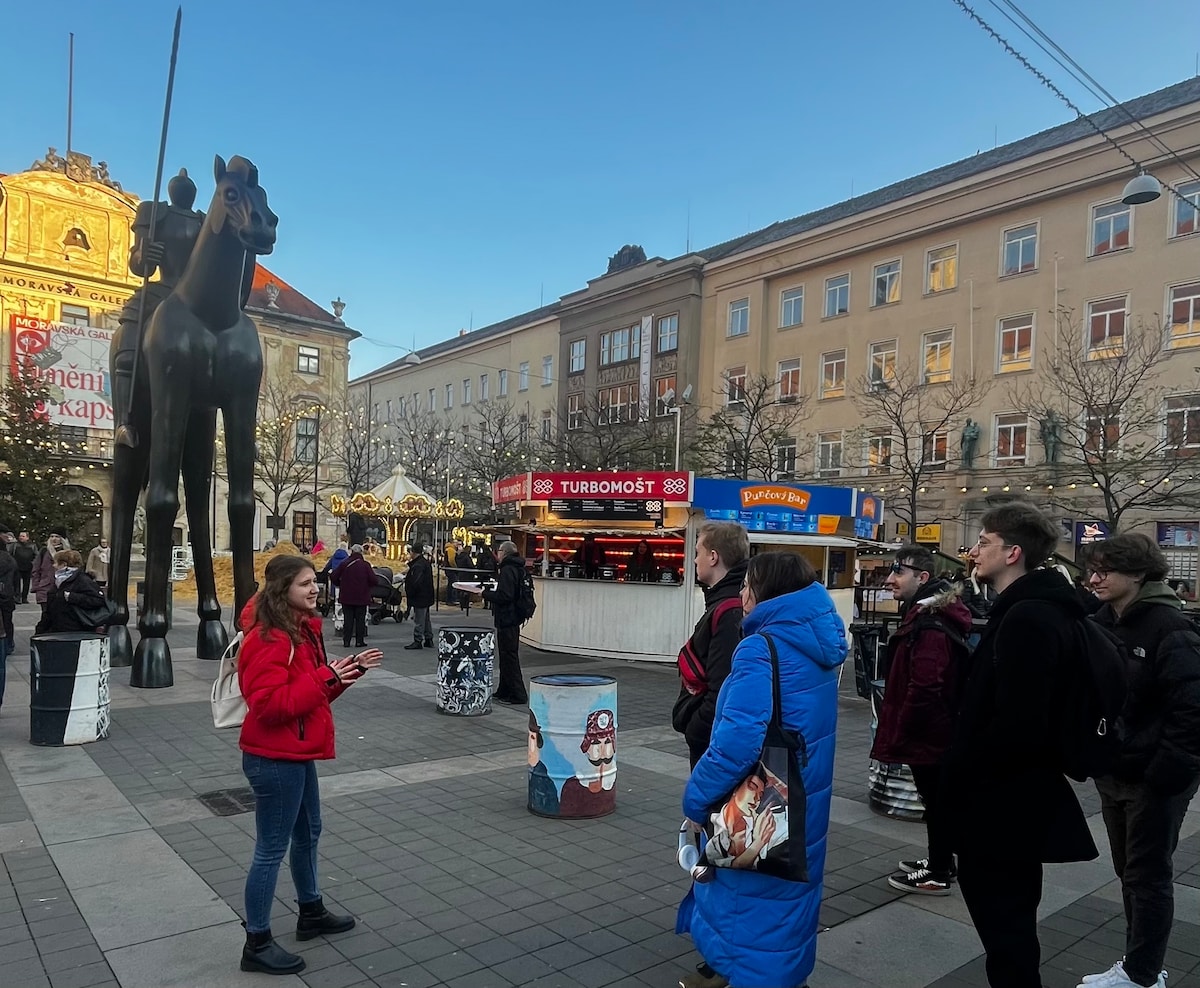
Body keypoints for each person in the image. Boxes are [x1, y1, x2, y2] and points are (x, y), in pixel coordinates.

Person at [946, 501, 1098, 988]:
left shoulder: (1029, 618)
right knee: (1010, 924)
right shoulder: (1035, 610)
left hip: (1002, 804)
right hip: (1012, 798)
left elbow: (1020, 721)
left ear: (1013, 553)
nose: (973, 551)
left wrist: (968, 773)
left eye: (984, 542)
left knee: (1005, 927)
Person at [678, 552, 847, 988]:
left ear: (765, 591)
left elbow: (736, 745)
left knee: (747, 906)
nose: (742, 594)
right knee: (788, 902)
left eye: (748, 585)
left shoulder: (759, 647)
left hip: (763, 804)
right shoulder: (818, 640)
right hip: (804, 796)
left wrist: (695, 801)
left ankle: (749, 978)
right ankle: (782, 977)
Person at [237, 554, 382, 975]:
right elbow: (267, 706)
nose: (315, 588)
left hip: (296, 752)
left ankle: (311, 910)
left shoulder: (299, 631)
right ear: (283, 590)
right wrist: (324, 678)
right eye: (305, 583)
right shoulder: (269, 638)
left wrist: (343, 674)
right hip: (273, 758)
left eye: (314, 581)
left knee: (308, 833)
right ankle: (257, 942)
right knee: (270, 849)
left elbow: (309, 700)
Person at [1077, 534, 1200, 988]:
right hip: (1117, 769)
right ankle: (1137, 965)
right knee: (1128, 871)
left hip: (1153, 776)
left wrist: (1165, 771)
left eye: (1105, 570)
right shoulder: (1103, 619)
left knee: (1147, 876)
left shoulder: (1168, 627)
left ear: (1138, 573)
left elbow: (1191, 708)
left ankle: (1143, 974)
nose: (1094, 578)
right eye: (1092, 569)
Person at [870, 545, 972, 896]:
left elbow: (927, 683)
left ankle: (939, 871)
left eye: (898, 572)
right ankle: (940, 860)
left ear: (923, 577)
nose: (890, 579)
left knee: (938, 802)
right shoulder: (928, 614)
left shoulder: (929, 622)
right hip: (936, 730)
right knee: (936, 800)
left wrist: (906, 726)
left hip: (930, 733)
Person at [672, 522, 749, 767]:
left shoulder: (729, 611)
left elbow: (723, 688)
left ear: (713, 557)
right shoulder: (732, 601)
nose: (694, 560)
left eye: (698, 552)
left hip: (711, 741)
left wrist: (697, 732)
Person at [482, 541, 529, 705]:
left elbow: (505, 596)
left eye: (499, 551)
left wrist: (485, 594)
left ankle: (518, 693)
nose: (497, 554)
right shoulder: (518, 568)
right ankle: (504, 689)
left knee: (509, 656)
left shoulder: (508, 570)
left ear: (505, 553)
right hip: (512, 617)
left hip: (508, 617)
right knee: (505, 655)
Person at [34, 550, 107, 635]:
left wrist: (72, 597)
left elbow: (98, 600)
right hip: (57, 630)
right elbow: (49, 611)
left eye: (56, 563)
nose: (54, 566)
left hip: (77, 631)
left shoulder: (82, 580)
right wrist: (40, 631)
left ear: (64, 564)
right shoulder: (57, 582)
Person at [330, 545, 373, 649]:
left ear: (351, 552)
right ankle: (359, 641)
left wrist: (340, 584)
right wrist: (367, 586)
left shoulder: (344, 564)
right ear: (361, 553)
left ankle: (346, 641)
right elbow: (373, 580)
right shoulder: (366, 565)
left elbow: (333, 576)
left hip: (346, 597)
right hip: (362, 597)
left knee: (348, 619)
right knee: (360, 620)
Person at [403, 543, 435, 650]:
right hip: (427, 594)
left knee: (419, 619)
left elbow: (415, 582)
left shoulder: (418, 566)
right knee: (426, 619)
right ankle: (428, 638)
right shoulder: (425, 563)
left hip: (420, 595)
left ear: (413, 552)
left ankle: (418, 640)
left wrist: (411, 592)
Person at [32, 534, 70, 615]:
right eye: (51, 536)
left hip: (63, 588)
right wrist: (37, 586)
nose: (54, 539)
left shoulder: (68, 553)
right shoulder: (44, 551)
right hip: (45, 588)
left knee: (60, 615)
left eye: (57, 537)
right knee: (46, 615)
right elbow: (36, 569)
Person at [11, 531, 37, 604]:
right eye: (20, 536)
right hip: (17, 567)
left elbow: (36, 555)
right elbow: (10, 554)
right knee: (16, 583)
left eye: (23, 536)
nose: (21, 537)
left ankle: (24, 598)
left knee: (27, 584)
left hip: (28, 567)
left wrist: (33, 563)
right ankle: (17, 597)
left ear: (27, 537)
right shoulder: (15, 545)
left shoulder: (32, 546)